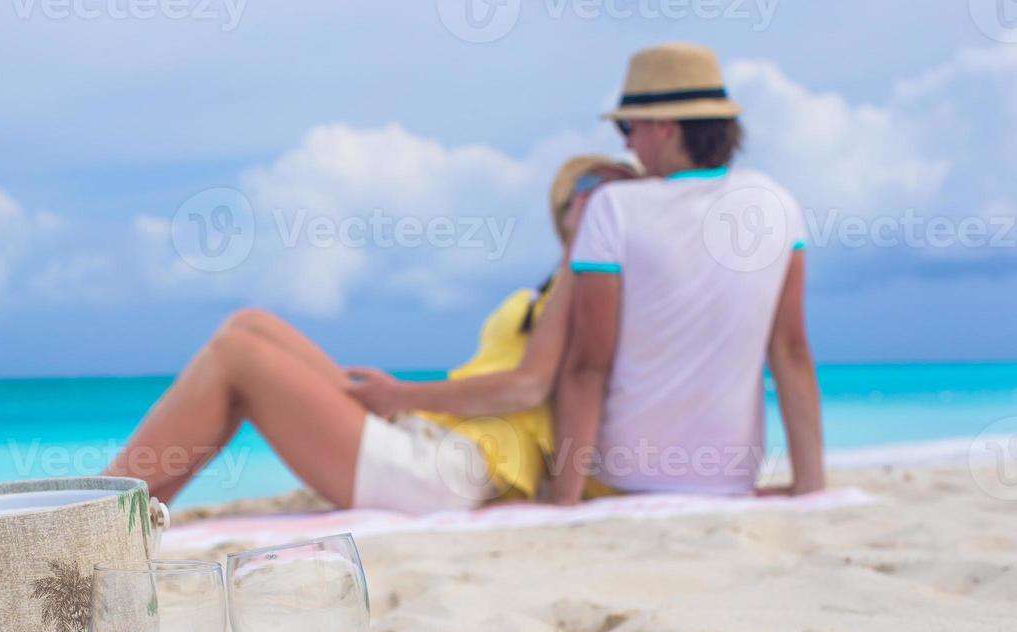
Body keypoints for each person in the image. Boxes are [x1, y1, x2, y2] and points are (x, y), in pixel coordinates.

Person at [103, 156, 640, 512]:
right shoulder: (557, 289)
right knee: (250, 324)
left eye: (606, 190)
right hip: (434, 440)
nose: (588, 197)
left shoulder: (588, 283)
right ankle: (133, 514)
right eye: (582, 189)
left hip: (454, 472)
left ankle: (101, 511)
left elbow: (528, 387)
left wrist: (400, 394)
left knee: (237, 357)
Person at [551, 42, 825, 503]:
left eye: (628, 126)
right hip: (729, 481)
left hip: (624, 479)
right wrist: (812, 489)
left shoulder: (613, 208)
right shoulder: (775, 202)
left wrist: (562, 501)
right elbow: (791, 353)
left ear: (664, 127)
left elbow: (587, 367)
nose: (625, 143)